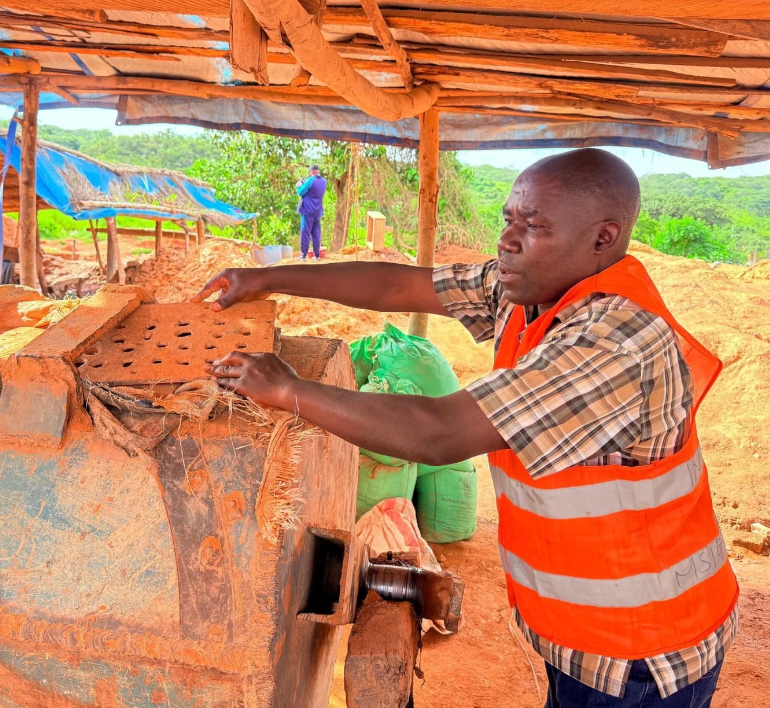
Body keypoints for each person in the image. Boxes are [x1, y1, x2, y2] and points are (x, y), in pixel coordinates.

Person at [192, 148, 738, 708]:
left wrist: (290, 391)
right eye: (509, 220)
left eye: (534, 227)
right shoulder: (535, 291)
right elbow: (400, 288)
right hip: (584, 632)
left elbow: (440, 431)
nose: (509, 239)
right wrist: (266, 278)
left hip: (642, 652)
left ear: (603, 238)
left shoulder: (619, 342)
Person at [295, 164, 327, 260]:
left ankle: (303, 255)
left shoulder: (311, 180)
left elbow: (301, 192)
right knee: (316, 233)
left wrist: (299, 185)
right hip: (318, 211)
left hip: (308, 211)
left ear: (311, 172)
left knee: (305, 232)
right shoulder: (324, 181)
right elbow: (313, 191)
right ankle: (317, 256)